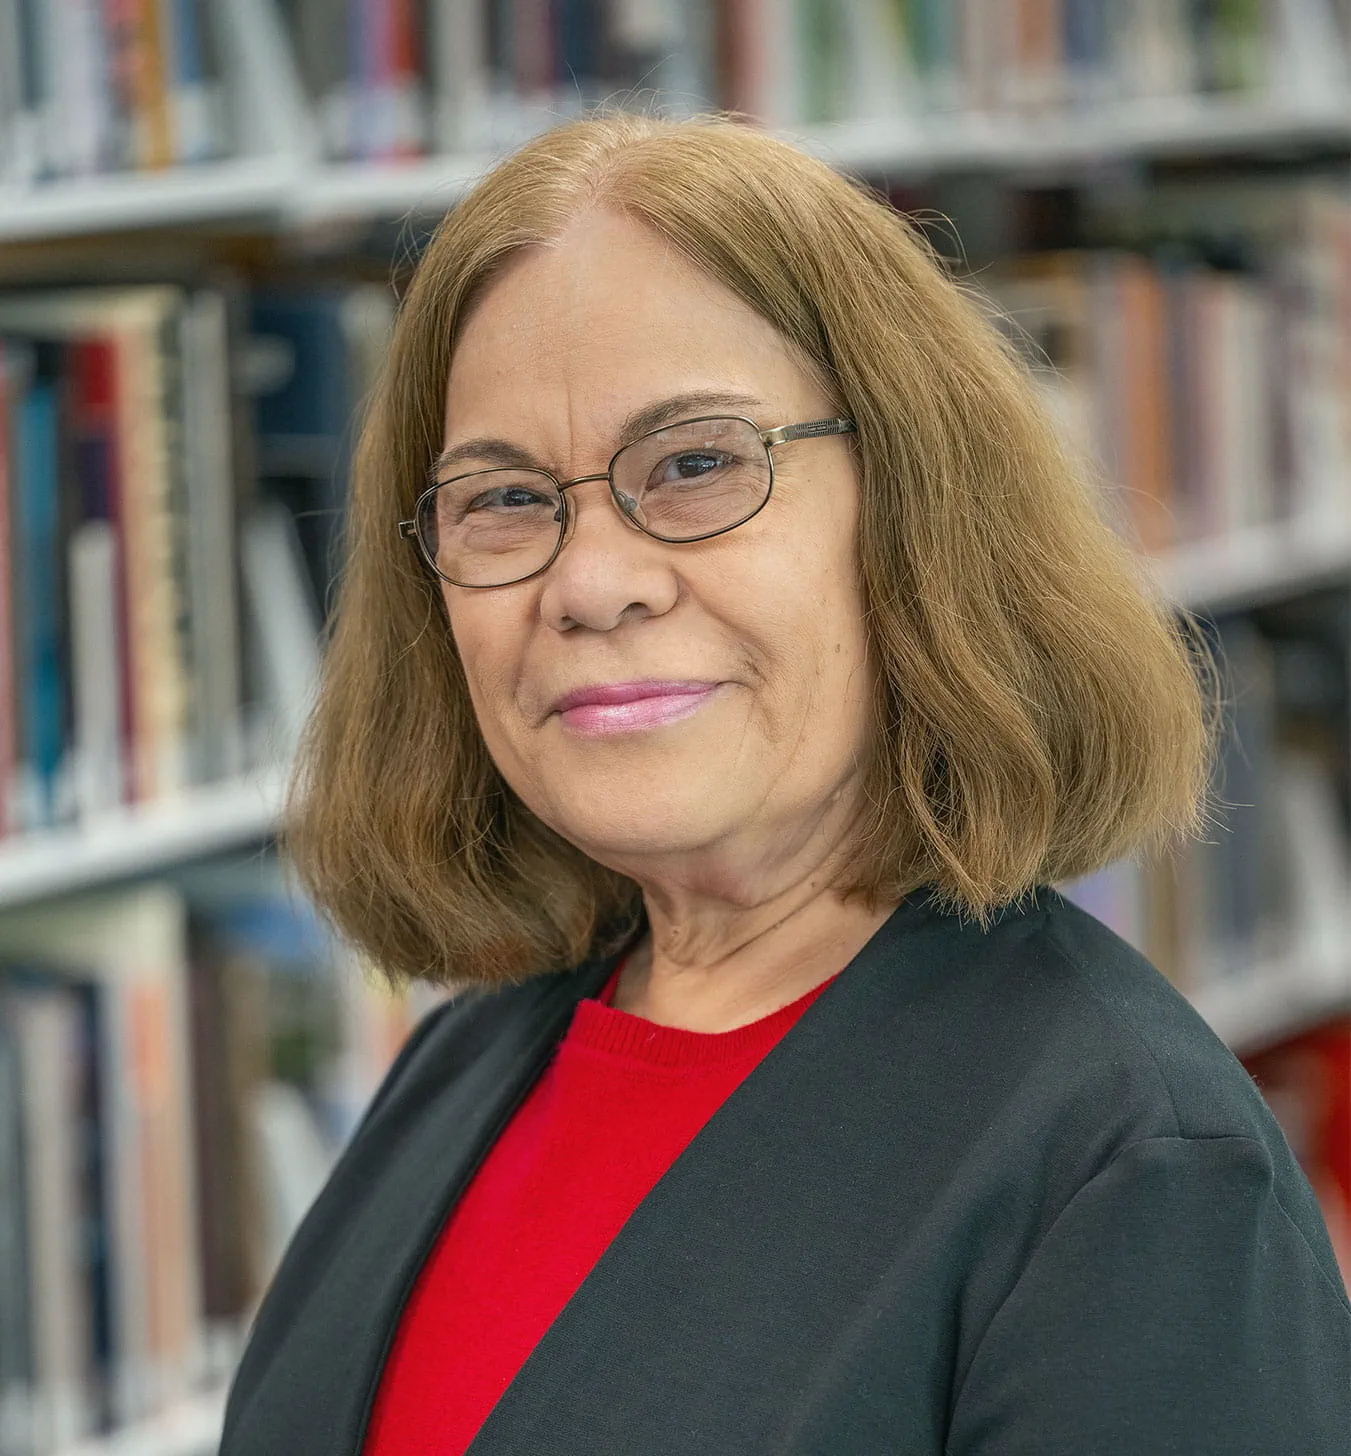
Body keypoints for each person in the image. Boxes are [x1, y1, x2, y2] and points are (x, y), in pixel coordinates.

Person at [219, 111, 1350, 1455]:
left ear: (912, 513)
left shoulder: (1133, 1172)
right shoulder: (477, 1054)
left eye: (695, 465)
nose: (589, 583)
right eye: (504, 500)